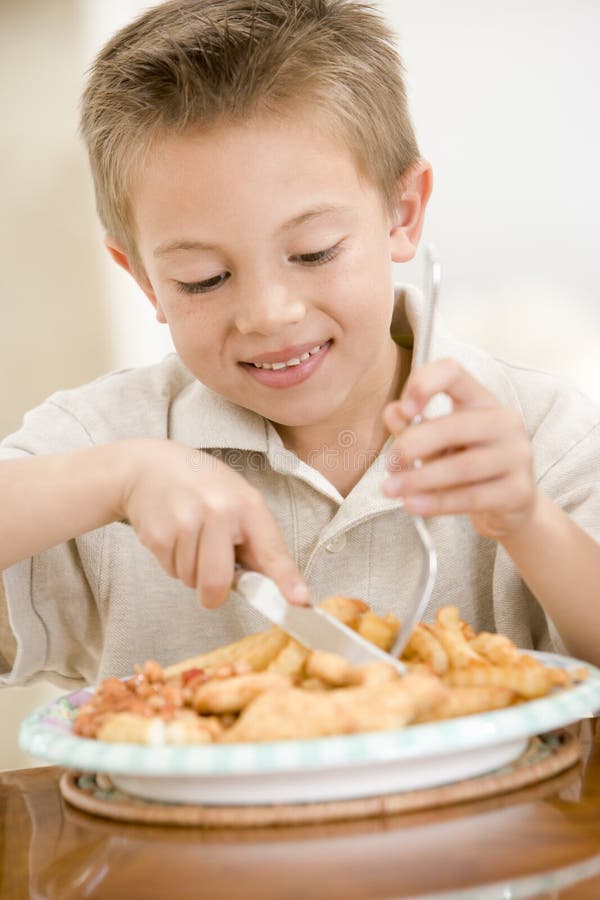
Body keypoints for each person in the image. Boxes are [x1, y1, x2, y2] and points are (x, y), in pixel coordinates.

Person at [1, 0, 599, 689]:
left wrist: (527, 521)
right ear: (143, 279)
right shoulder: (106, 441)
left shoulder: (543, 435)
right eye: (206, 278)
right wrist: (115, 482)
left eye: (314, 253)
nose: (269, 314)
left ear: (402, 214)